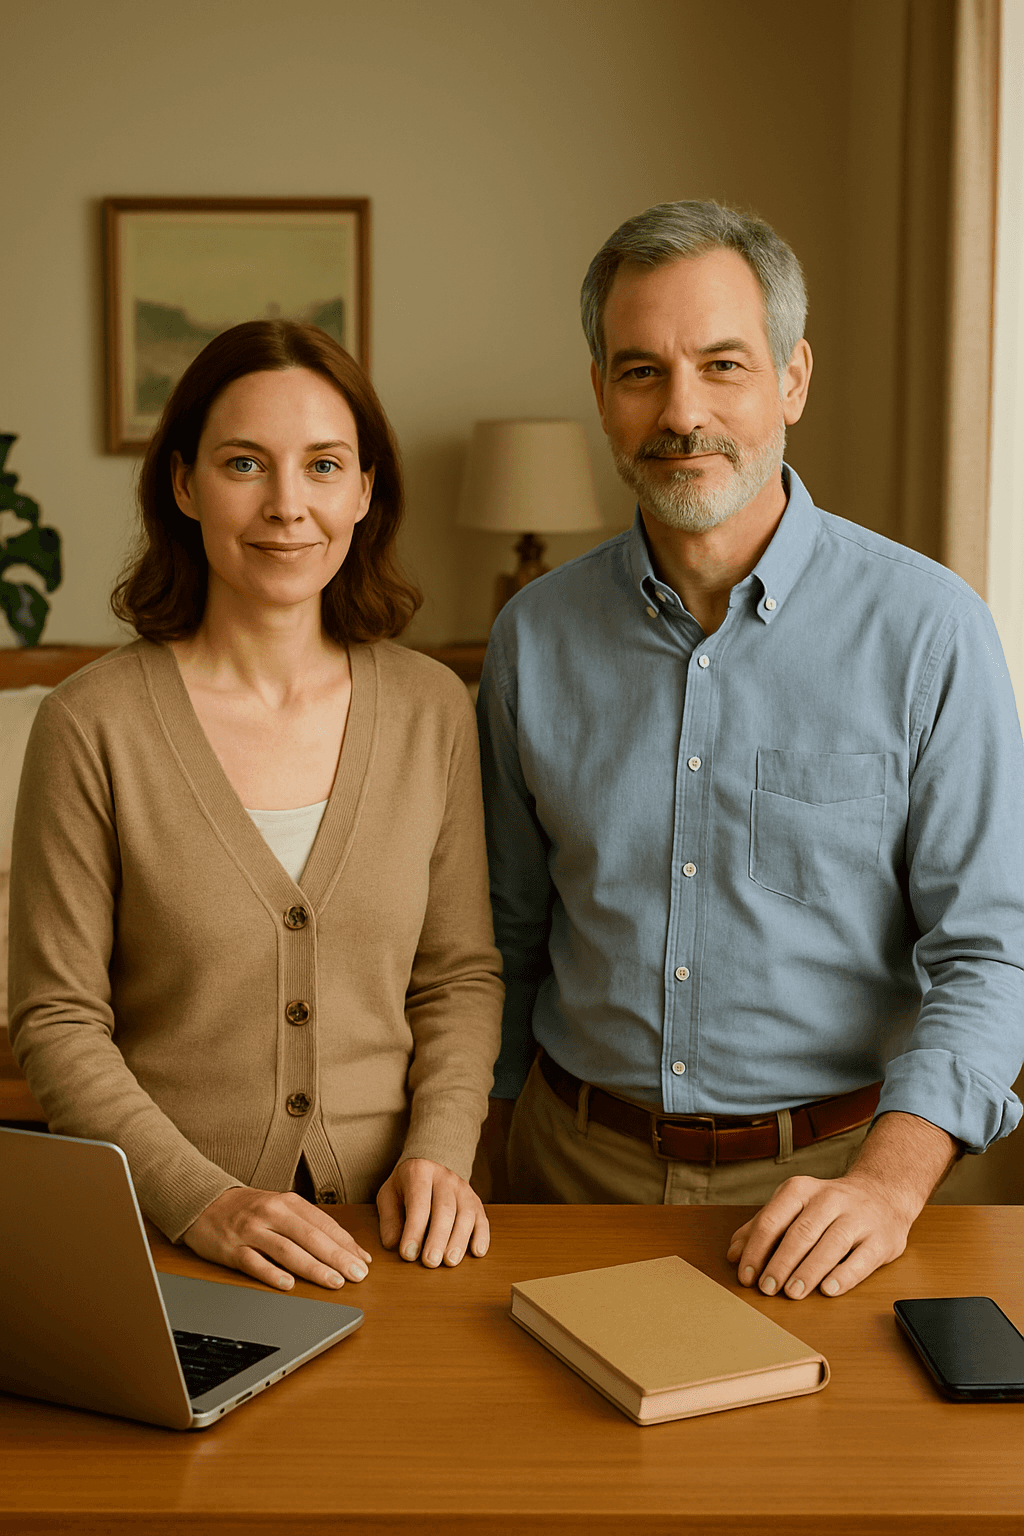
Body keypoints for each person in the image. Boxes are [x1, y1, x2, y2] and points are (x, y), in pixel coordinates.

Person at [477, 200, 1024, 1300]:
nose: (682, 413)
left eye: (721, 364)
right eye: (640, 372)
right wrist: (478, 1156)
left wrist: (885, 1187)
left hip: (845, 1188)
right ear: (601, 395)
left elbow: (991, 954)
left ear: (791, 379)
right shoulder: (530, 638)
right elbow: (502, 937)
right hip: (570, 1177)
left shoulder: (930, 631)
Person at [9, 320, 503, 1293]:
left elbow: (458, 976)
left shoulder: (432, 710)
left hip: (398, 1235)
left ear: (366, 490)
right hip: (166, 1240)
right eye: (246, 464)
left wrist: (440, 1152)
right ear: (184, 484)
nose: (288, 505)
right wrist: (205, 1202)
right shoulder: (87, 725)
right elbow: (57, 1019)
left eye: (324, 465)